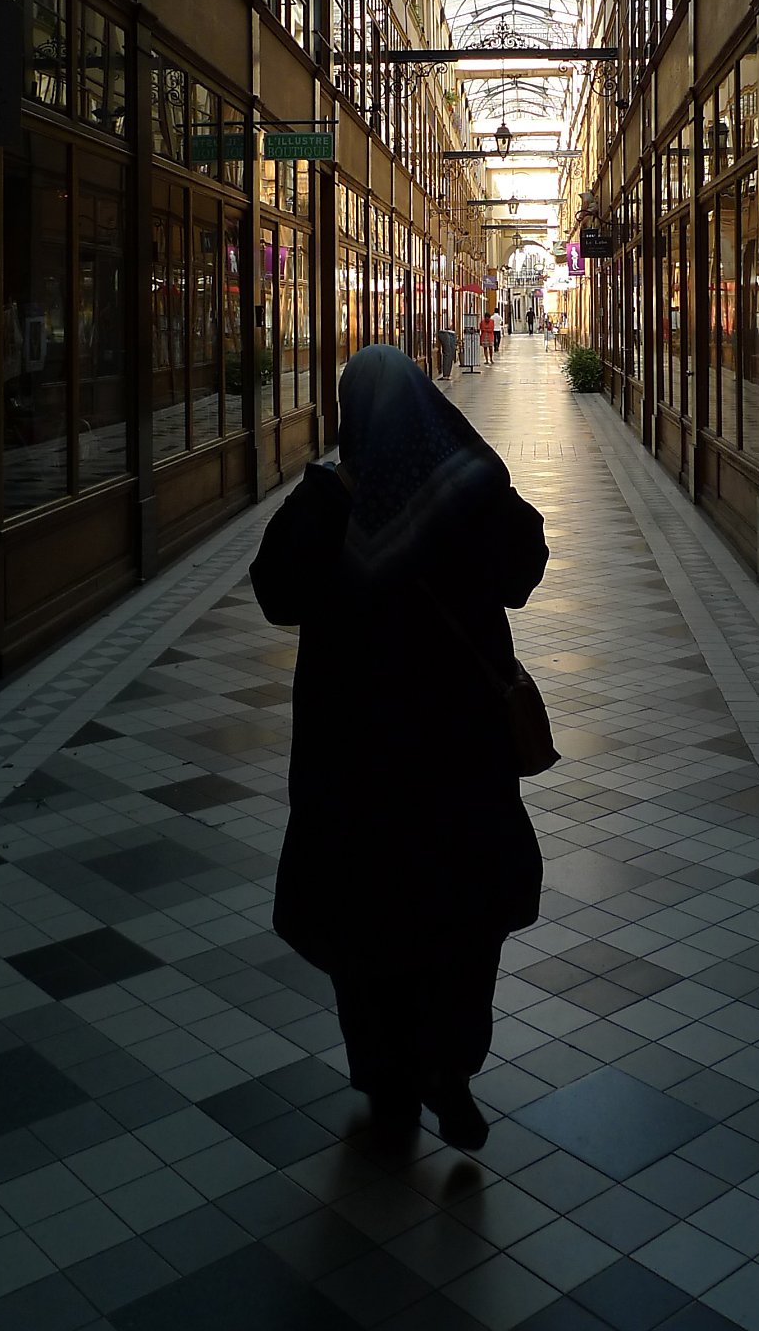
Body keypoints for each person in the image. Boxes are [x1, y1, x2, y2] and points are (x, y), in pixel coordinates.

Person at [249, 345, 548, 1149]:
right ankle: (450, 1062)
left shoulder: (328, 500)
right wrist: (472, 473)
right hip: (459, 755)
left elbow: (274, 591)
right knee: (461, 907)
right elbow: (527, 563)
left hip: (356, 761)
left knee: (364, 910)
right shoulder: (466, 483)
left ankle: (387, 1079)